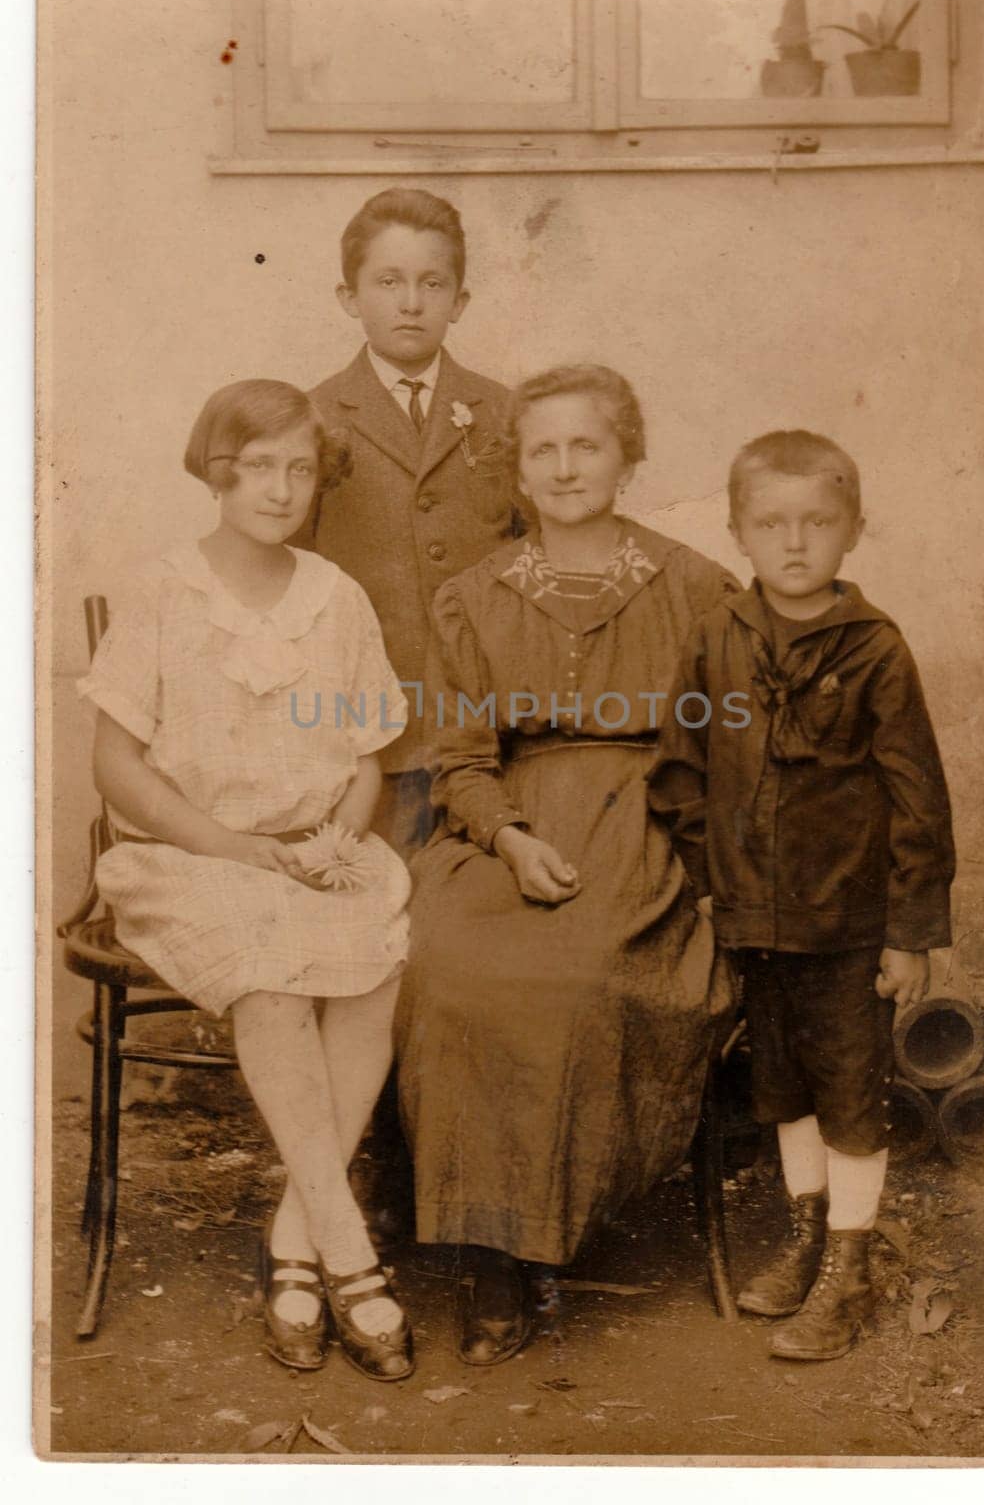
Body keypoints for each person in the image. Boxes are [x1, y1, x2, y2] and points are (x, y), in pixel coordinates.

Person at [395, 364, 740, 1366]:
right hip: (500, 826)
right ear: (516, 467)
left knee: (577, 976)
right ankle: (490, 1255)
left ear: (626, 456)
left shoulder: (694, 588)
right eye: (540, 449)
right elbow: (458, 757)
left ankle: (543, 1236)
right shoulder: (471, 597)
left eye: (584, 445)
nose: (562, 466)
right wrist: (504, 833)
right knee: (445, 970)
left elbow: (725, 750)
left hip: (645, 822)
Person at [78, 379, 417, 1382]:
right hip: (192, 856)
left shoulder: (335, 596)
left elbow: (366, 756)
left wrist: (337, 838)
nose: (280, 487)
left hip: (316, 848)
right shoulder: (162, 590)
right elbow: (116, 765)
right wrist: (232, 845)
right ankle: (348, 1254)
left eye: (300, 468)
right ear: (217, 471)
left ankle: (295, 1244)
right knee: (271, 966)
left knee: (376, 953)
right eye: (258, 465)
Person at [649, 429, 955, 1361]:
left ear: (852, 531)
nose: (795, 543)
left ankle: (851, 1270)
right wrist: (713, 882)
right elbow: (681, 767)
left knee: (852, 1092)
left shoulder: (874, 650)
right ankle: (810, 1237)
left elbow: (917, 796)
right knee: (784, 1090)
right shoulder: (717, 638)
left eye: (818, 522)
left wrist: (911, 933)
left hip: (847, 922)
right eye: (771, 523)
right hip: (754, 919)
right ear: (739, 531)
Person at [295, 186, 518, 857]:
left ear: (460, 301)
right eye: (388, 281)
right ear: (349, 297)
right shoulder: (312, 417)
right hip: (370, 732)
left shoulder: (505, 412)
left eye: (432, 283)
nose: (412, 302)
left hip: (488, 727)